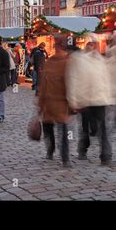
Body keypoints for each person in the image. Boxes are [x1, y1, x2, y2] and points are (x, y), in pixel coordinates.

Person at [66, 37, 116, 165]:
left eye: (94, 44)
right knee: (85, 128)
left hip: (99, 100)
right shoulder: (78, 59)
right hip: (84, 100)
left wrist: (110, 96)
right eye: (89, 44)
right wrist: (72, 100)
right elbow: (72, 79)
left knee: (103, 128)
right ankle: (82, 149)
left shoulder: (101, 60)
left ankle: (106, 156)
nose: (91, 46)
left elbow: (106, 79)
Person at [38, 35, 72, 168]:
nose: (56, 48)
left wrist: (72, 101)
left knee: (62, 131)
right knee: (48, 128)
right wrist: (40, 101)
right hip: (48, 101)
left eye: (58, 46)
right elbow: (43, 82)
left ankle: (65, 157)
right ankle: (50, 149)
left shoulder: (68, 62)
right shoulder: (50, 61)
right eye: (55, 46)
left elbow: (72, 83)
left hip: (61, 102)